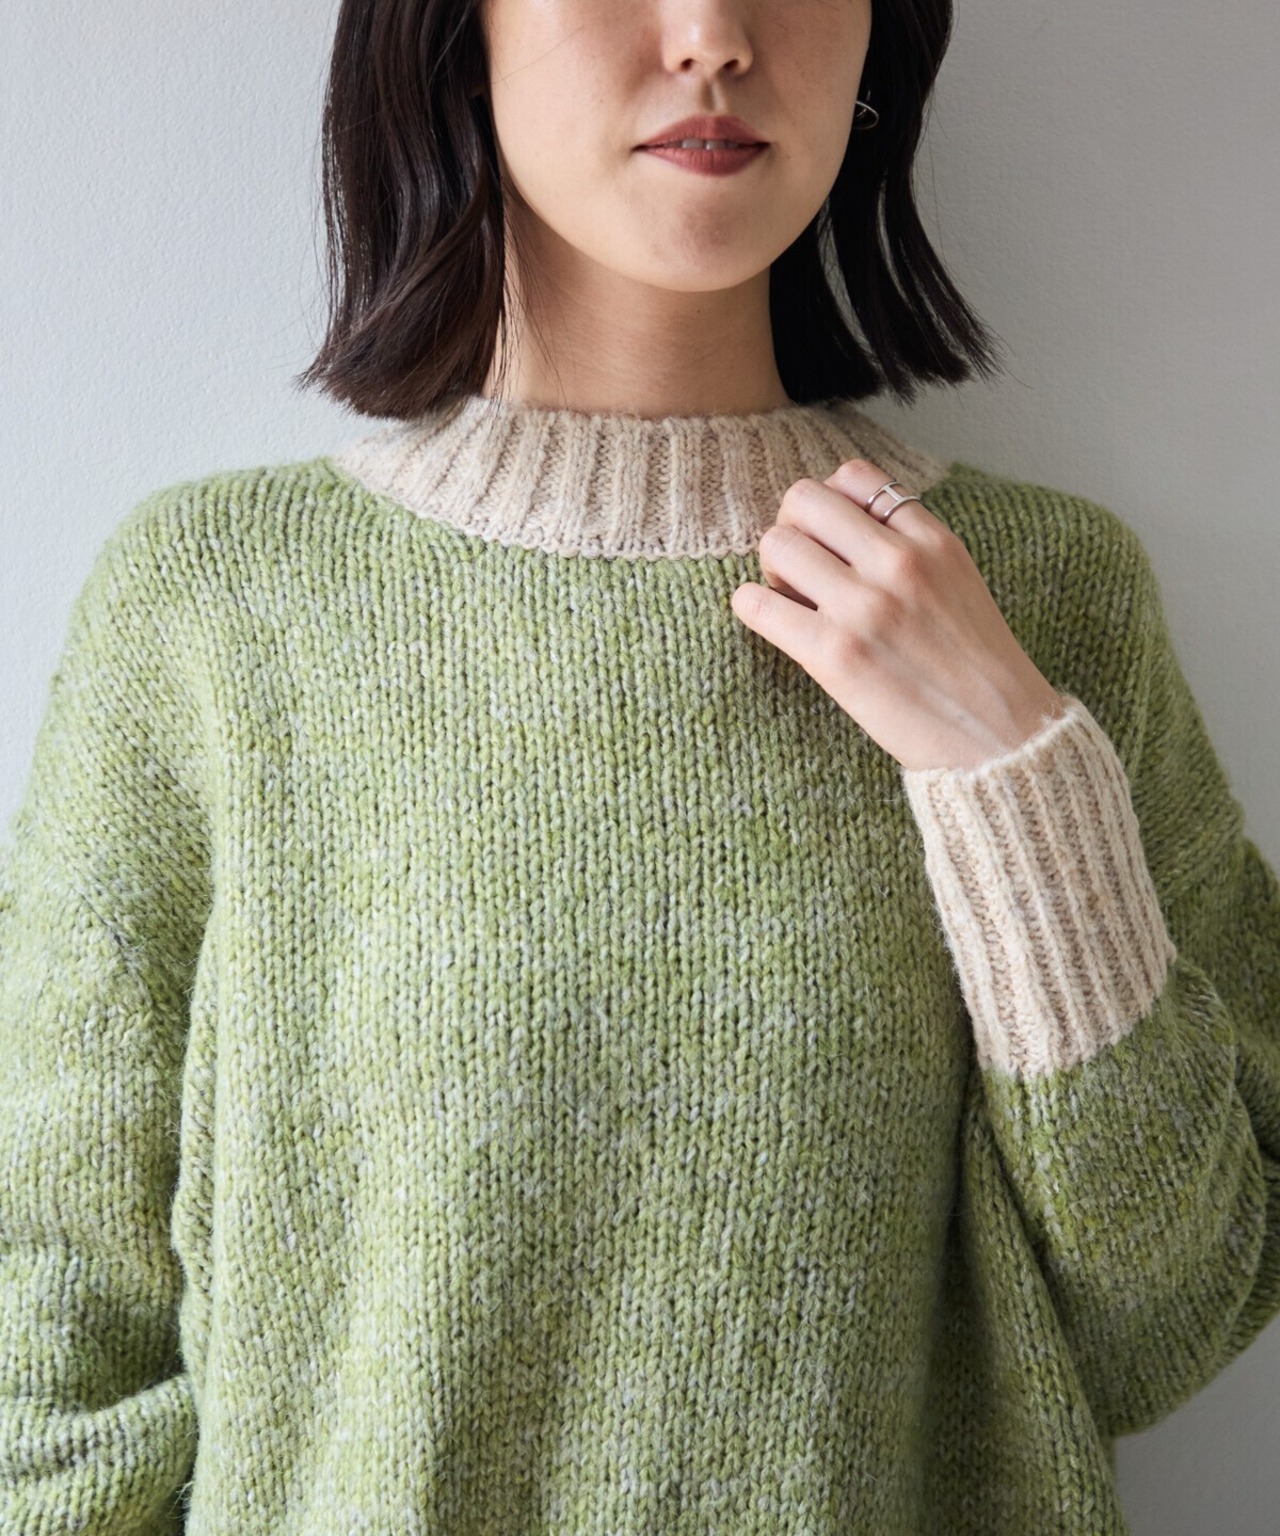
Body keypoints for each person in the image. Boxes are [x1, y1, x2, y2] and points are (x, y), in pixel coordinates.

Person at [2, 0, 1277, 1532]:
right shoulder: (215, 607)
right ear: (452, 30)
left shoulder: (1048, 600)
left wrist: (1012, 771)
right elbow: (50, 1352)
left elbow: (1171, 1322)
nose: (713, 34)